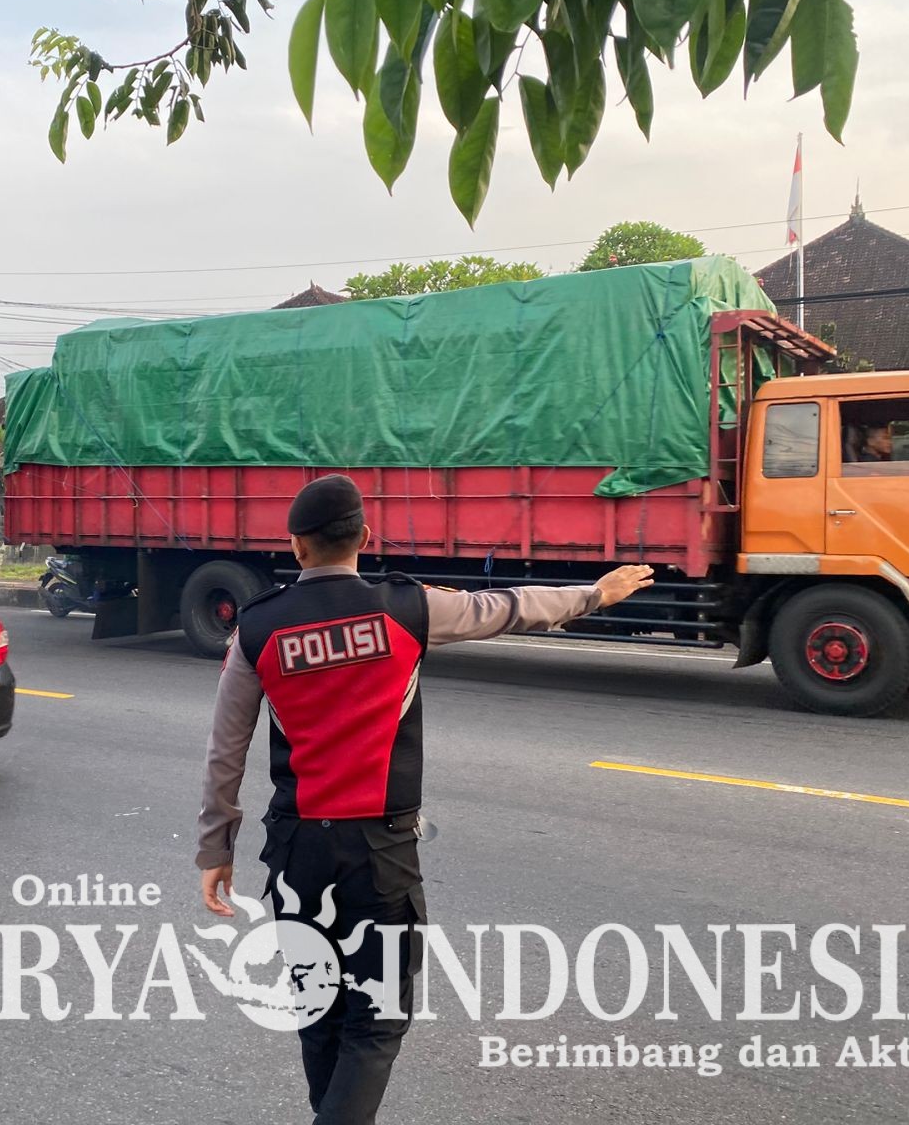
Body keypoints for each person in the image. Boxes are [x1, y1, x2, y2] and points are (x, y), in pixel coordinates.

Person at [195, 474, 654, 1125]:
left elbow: (226, 751)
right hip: (379, 853)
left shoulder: (257, 627)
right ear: (365, 536)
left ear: (296, 546)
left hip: (297, 854)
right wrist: (595, 593)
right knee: (376, 1019)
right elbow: (508, 607)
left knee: (318, 1009)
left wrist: (216, 848)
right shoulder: (408, 609)